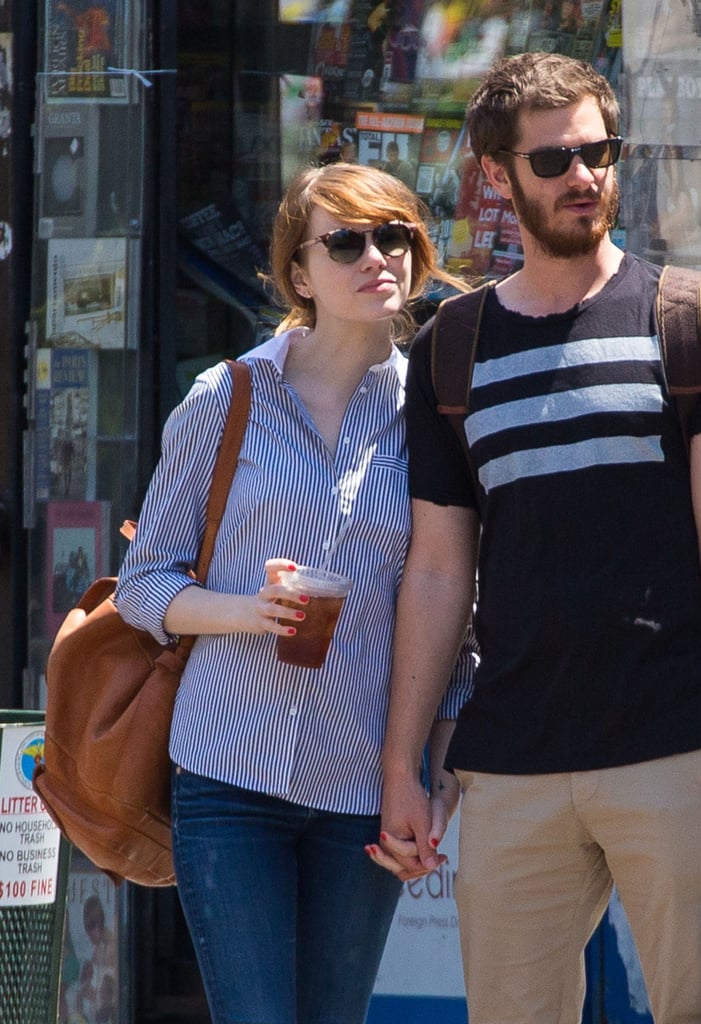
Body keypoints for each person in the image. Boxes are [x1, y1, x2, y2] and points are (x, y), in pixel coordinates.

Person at [370, 51, 701, 1024]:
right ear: (497, 175)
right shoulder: (452, 348)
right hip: (511, 758)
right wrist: (403, 764)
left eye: (599, 153)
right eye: (553, 160)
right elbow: (436, 574)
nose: (583, 177)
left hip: (676, 746)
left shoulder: (693, 321)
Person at [114, 162, 474, 1024]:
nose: (374, 256)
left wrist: (439, 776)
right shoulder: (227, 397)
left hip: (362, 785)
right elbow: (144, 583)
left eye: (394, 237)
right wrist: (248, 611)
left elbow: (456, 617)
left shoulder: (435, 416)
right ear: (300, 275)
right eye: (345, 240)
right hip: (226, 771)